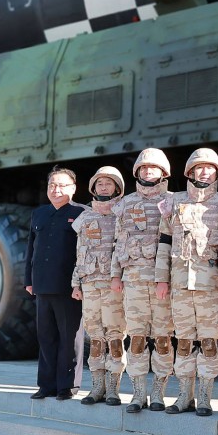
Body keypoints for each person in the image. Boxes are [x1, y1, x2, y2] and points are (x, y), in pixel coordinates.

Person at [156, 148, 218, 416]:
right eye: (199, 168)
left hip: (212, 286)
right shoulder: (174, 203)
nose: (204, 172)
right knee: (184, 342)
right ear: (189, 172)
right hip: (180, 284)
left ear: (217, 173)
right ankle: (184, 396)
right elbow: (163, 243)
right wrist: (161, 279)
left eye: (209, 168)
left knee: (209, 343)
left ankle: (205, 398)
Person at [111, 148, 175, 413]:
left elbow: (175, 242)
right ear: (137, 172)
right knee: (136, 338)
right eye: (144, 168)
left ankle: (158, 393)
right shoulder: (125, 204)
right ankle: (138, 394)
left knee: (162, 338)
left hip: (163, 281)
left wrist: (166, 278)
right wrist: (116, 274)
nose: (149, 172)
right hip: (134, 279)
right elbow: (118, 240)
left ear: (163, 172)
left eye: (154, 168)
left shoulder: (173, 201)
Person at [25, 166, 86, 401]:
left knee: (70, 339)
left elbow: (85, 253)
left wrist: (79, 284)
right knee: (46, 337)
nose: (56, 189)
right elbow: (31, 248)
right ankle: (46, 385)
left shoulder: (82, 213)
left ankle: (67, 386)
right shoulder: (39, 213)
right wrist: (28, 280)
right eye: (52, 185)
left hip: (69, 287)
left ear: (73, 188)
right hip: (42, 285)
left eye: (62, 185)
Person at [71, 166, 127, 406]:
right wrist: (76, 283)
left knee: (115, 336)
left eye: (109, 183)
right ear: (93, 188)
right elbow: (79, 253)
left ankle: (113, 388)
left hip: (115, 285)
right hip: (90, 283)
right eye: (100, 183)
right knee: (95, 337)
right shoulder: (84, 218)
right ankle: (96, 388)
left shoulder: (124, 213)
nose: (104, 187)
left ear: (118, 187)